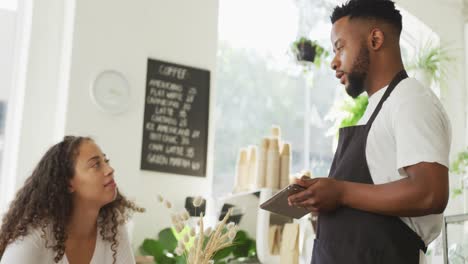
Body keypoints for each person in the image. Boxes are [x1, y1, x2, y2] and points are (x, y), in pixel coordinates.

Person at [288, 0, 451, 263]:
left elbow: (430, 192)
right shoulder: (375, 110)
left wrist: (340, 192)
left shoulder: (410, 98)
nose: (332, 61)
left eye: (340, 47)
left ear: (375, 39)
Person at [0, 136, 144, 264]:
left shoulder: (112, 225)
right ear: (68, 183)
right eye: (96, 165)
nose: (110, 169)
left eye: (106, 161)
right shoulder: (36, 235)